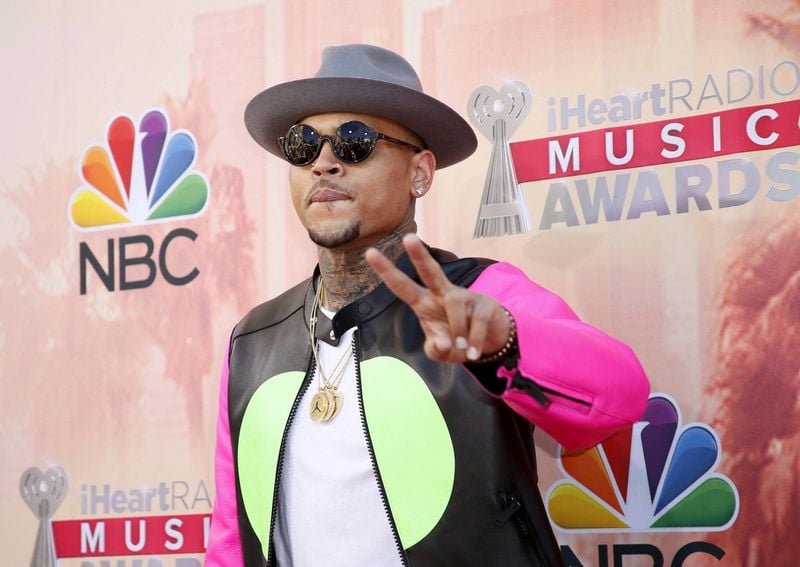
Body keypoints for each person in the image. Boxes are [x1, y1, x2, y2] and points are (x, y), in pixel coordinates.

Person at [206, 44, 650, 567]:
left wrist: (504, 345)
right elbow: (230, 542)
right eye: (303, 146)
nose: (323, 164)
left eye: (354, 142)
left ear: (420, 173)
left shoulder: (482, 295)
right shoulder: (253, 340)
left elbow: (620, 397)